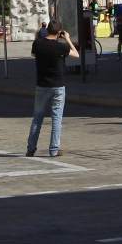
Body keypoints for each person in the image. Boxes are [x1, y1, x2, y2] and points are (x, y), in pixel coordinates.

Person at [27, 19, 77, 157]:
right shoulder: (61, 47)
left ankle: (31, 148)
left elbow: (33, 55)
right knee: (56, 118)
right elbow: (76, 54)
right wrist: (67, 39)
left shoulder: (37, 43)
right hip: (58, 86)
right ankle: (54, 149)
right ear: (59, 32)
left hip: (42, 85)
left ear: (47, 30)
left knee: (37, 118)